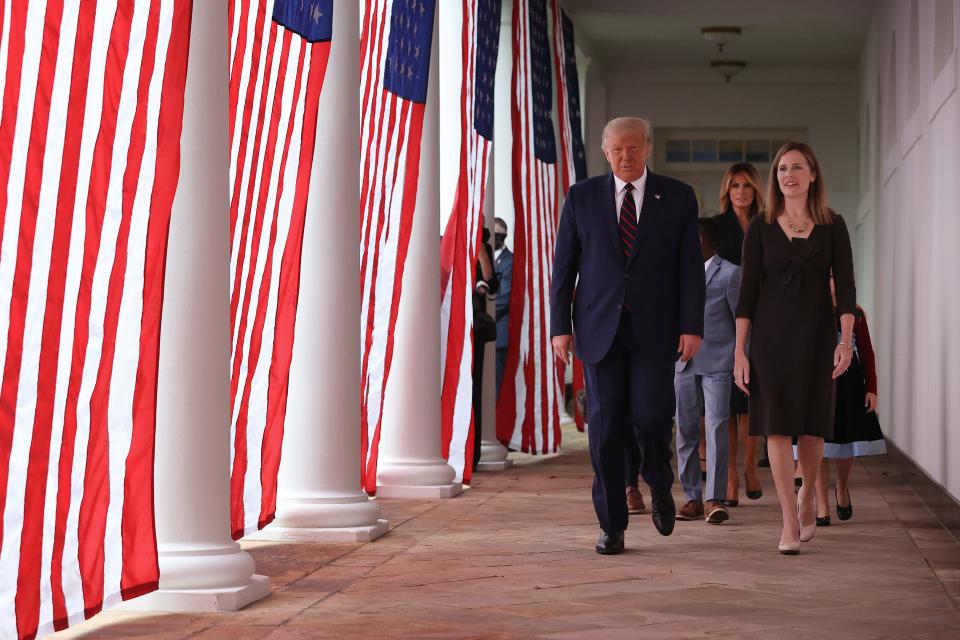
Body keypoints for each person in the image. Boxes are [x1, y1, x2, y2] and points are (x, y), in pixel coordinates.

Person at [551, 116, 705, 555]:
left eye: (633, 147)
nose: (625, 156)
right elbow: (564, 268)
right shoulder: (581, 197)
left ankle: (658, 482)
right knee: (603, 427)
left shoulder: (677, 197)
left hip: (656, 331)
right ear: (605, 151)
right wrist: (560, 327)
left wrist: (690, 326)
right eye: (617, 149)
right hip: (598, 331)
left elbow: (690, 270)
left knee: (652, 416)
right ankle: (612, 525)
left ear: (647, 148)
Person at [733, 141, 856, 555]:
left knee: (812, 428)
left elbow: (846, 291)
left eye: (797, 167)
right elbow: (747, 294)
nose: (789, 174)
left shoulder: (832, 225)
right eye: (783, 168)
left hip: (818, 337)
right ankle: (787, 517)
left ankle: (807, 494)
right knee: (778, 426)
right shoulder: (761, 226)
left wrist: (845, 341)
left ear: (813, 175)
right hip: (770, 340)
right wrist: (739, 352)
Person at [675, 216, 741, 524]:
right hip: (682, 362)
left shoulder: (730, 275)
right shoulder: (676, 273)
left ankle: (716, 498)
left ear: (701, 240)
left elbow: (741, 323)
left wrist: (742, 358)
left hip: (718, 363)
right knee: (686, 430)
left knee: (716, 428)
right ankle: (692, 498)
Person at [814, 278, 885, 526]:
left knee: (845, 442)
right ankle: (821, 505)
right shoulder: (811, 309)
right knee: (815, 445)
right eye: (829, 277)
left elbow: (867, 353)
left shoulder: (856, 313)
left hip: (848, 383)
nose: (832, 282)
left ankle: (841, 486)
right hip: (817, 381)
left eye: (836, 277)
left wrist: (872, 389)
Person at [715, 162, 766, 506]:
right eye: (735, 186)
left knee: (752, 399)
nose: (741, 192)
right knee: (727, 404)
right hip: (723, 321)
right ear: (727, 191)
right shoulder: (715, 227)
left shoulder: (769, 223)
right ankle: (730, 476)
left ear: (756, 190)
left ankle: (750, 467)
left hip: (763, 319)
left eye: (747, 186)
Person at [472, 229, 499, 467]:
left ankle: (472, 454)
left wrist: (481, 255)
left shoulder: (484, 247)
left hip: (474, 326)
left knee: (475, 389)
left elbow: (493, 285)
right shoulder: (444, 238)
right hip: (448, 323)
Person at [493, 218, 513, 399]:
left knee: (495, 386)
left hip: (498, 332)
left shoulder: (509, 261)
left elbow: (504, 298)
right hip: (481, 331)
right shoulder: (482, 256)